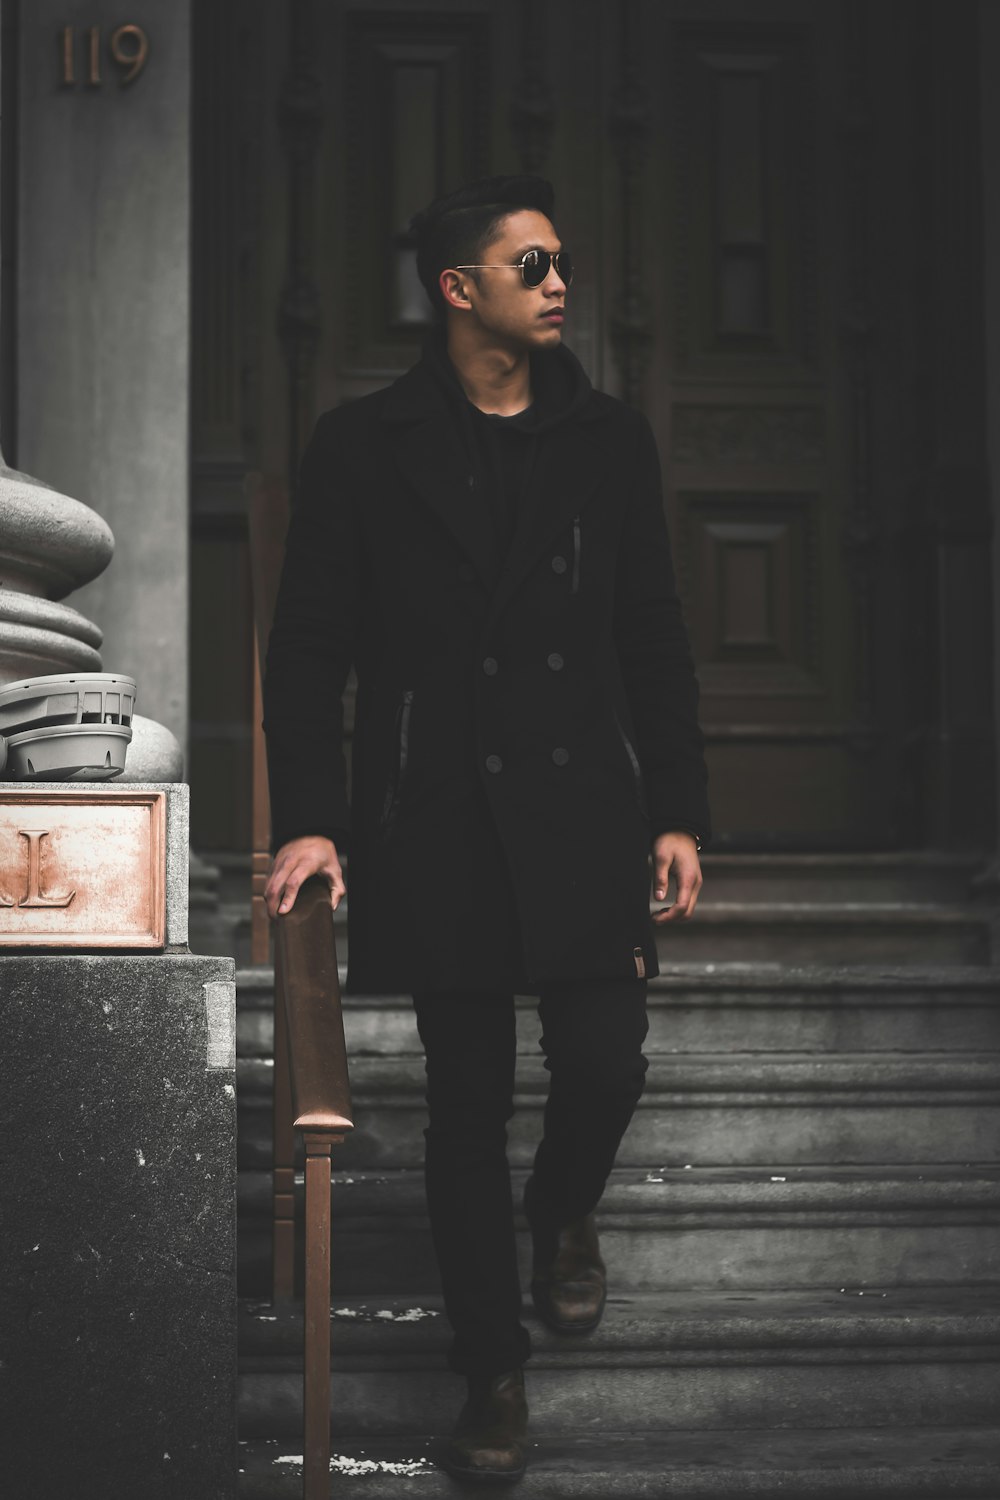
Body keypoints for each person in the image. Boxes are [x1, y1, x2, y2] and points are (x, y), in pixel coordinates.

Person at [262, 175, 710, 1484]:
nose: (561, 280)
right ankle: (491, 1376)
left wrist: (679, 808)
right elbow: (309, 654)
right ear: (460, 290)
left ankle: (562, 1211)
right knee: (466, 1106)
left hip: (584, 815)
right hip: (435, 816)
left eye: (561, 261)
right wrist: (314, 823)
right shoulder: (364, 446)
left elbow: (653, 635)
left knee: (606, 1061)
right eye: (533, 265)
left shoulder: (608, 440)